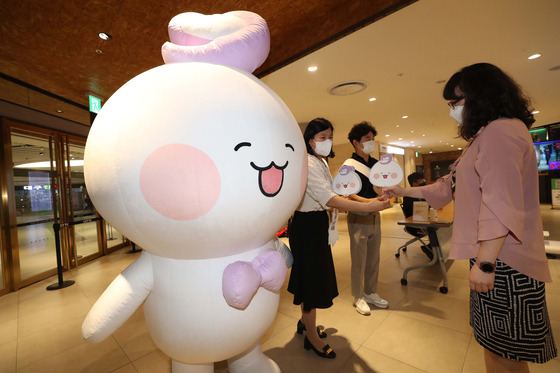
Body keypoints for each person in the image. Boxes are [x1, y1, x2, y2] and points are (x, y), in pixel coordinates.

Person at [384, 63, 557, 372]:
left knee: (508, 356)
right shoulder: (485, 135)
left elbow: (500, 203)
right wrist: (400, 191)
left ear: (481, 95)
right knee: (495, 349)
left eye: (457, 101)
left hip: (506, 262)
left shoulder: (501, 131)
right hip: (495, 257)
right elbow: (445, 187)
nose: (453, 110)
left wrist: (486, 264)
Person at [288, 118, 390, 359]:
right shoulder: (309, 163)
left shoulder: (320, 161)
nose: (327, 141)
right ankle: (312, 337)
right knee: (311, 283)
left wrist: (369, 202)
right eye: (322, 137)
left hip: (317, 225)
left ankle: (305, 324)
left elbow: (335, 192)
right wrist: (370, 208)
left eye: (330, 137)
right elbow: (330, 199)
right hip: (307, 227)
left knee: (312, 278)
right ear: (310, 139)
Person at [343, 121, 389, 315]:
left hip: (375, 215)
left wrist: (382, 198)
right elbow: (348, 194)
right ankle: (358, 296)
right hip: (358, 214)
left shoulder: (376, 164)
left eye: (372, 139)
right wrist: (370, 203)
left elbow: (382, 187)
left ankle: (370, 291)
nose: (371, 142)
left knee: (374, 257)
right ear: (356, 142)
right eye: (367, 139)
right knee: (359, 258)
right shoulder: (349, 165)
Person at [402, 172, 433, 260]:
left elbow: (430, 207)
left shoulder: (421, 194)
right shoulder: (408, 196)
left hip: (425, 221)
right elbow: (417, 212)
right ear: (414, 184)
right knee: (437, 228)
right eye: (422, 182)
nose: (424, 184)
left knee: (442, 226)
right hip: (414, 225)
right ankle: (431, 248)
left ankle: (433, 248)